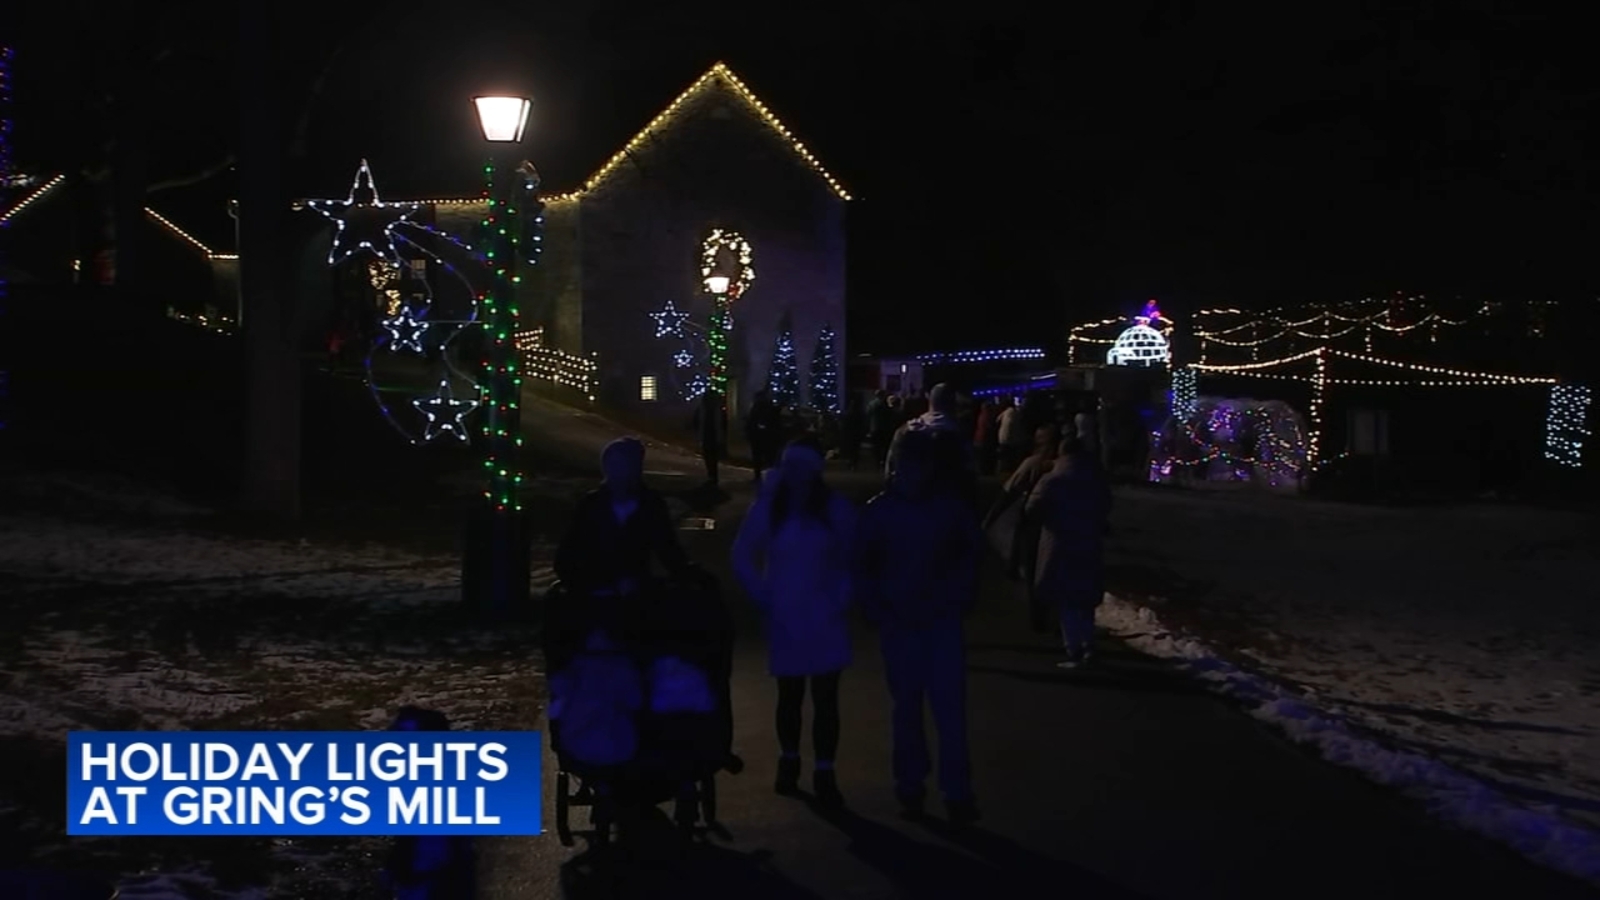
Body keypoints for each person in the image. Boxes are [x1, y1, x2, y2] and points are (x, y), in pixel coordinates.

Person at [857, 430, 983, 825]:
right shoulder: (939, 508)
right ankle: (943, 789)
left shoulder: (888, 510)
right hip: (923, 621)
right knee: (936, 711)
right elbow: (864, 567)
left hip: (918, 620)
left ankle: (922, 786)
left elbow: (864, 567)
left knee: (918, 711)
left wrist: (878, 607)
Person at [731, 438, 856, 807]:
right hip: (786, 615)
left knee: (825, 698)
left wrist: (839, 598)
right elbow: (742, 553)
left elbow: (853, 557)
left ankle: (824, 769)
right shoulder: (771, 508)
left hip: (824, 616)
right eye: (792, 469)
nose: (797, 476)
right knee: (790, 695)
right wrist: (764, 594)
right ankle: (789, 761)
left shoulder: (833, 510)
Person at [1025, 435, 1113, 668]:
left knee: (1067, 600)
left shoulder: (1053, 479)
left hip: (1059, 543)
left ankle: (1074, 649)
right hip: (1088, 542)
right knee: (1084, 600)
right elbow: (1106, 505)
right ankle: (1089, 645)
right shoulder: (1095, 479)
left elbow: (1033, 508)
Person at [982, 424, 1060, 632]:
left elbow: (1010, 492)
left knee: (1032, 567)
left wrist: (989, 519)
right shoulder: (1064, 465)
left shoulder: (1033, 463)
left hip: (1033, 521)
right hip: (1061, 525)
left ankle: (1038, 615)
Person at [884, 383, 978, 507]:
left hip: (909, 501)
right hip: (946, 505)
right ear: (953, 404)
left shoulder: (906, 430)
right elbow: (969, 473)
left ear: (930, 400)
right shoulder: (957, 434)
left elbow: (891, 467)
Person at [745, 389, 783, 482]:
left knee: (759, 457)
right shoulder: (769, 406)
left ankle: (760, 476)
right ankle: (770, 476)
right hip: (766, 436)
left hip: (758, 436)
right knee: (768, 457)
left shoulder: (757, 407)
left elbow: (752, 421)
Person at [696, 391, 727, 487]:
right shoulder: (708, 410)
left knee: (711, 457)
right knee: (710, 457)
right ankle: (712, 476)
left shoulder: (707, 410)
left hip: (711, 436)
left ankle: (712, 476)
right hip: (710, 435)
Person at [997, 398, 1028, 473]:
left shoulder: (1005, 413)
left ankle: (1002, 471)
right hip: (1011, 440)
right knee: (1010, 458)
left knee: (1004, 457)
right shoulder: (1014, 413)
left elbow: (997, 420)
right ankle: (1008, 471)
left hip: (1002, 439)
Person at [839, 393, 865, 470]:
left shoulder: (847, 413)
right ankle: (853, 463)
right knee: (855, 449)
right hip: (856, 433)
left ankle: (850, 462)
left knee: (850, 448)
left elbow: (844, 423)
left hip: (850, 434)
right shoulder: (859, 413)